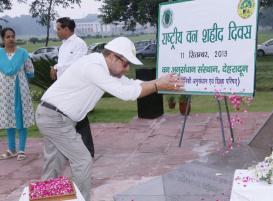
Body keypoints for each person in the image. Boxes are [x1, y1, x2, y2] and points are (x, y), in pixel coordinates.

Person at [35, 36, 184, 201]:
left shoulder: (105, 68)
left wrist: (159, 81)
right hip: (55, 118)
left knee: (54, 165)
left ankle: (43, 199)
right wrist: (158, 85)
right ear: (113, 56)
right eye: (125, 63)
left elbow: (131, 84)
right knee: (83, 160)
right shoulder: (94, 67)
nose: (127, 69)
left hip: (54, 116)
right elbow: (127, 94)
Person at [51, 17, 95, 158]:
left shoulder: (79, 44)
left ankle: (88, 150)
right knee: (69, 119)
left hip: (76, 86)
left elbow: (77, 64)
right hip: (64, 87)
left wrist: (57, 67)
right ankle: (73, 150)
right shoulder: (63, 46)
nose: (56, 32)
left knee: (80, 118)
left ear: (66, 28)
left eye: (58, 29)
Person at [0, 27, 35, 161]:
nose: (11, 39)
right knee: (8, 119)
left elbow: (30, 71)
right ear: (3, 39)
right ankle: (11, 149)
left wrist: (21, 79)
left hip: (20, 91)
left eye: (13, 36)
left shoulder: (22, 53)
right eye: (8, 37)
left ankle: (21, 149)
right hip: (4, 92)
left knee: (21, 119)